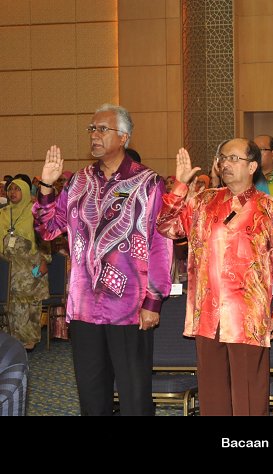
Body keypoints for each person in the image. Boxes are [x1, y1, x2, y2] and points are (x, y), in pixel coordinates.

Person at [33, 104, 173, 416]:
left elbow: (160, 244)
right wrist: (46, 186)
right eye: (92, 129)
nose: (94, 135)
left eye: (102, 129)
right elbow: (48, 229)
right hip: (84, 307)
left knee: (134, 398)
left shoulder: (147, 182)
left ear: (123, 137)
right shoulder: (78, 181)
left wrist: (153, 301)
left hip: (130, 308)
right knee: (91, 397)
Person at [157, 140, 273, 416]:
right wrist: (180, 186)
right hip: (207, 314)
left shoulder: (268, 207)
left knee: (248, 398)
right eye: (223, 158)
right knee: (213, 397)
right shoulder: (203, 201)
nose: (225, 164)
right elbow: (166, 226)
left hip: (247, 316)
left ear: (252, 166)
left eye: (234, 158)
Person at [0, 178, 49, 350]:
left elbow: (45, 237)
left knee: (29, 303)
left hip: (31, 266)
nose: (12, 192)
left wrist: (44, 261)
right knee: (10, 304)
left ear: (26, 191)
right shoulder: (3, 213)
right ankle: (11, 341)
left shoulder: (35, 212)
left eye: (17, 189)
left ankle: (28, 340)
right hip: (8, 268)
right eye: (10, 189)